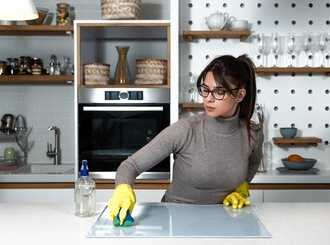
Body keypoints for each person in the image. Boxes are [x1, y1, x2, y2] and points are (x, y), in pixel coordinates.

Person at [108, 54, 264, 225]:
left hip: (224, 220)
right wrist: (123, 189)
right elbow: (130, 165)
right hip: (176, 220)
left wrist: (242, 188)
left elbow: (254, 162)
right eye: (205, 89)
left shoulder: (252, 134)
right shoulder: (186, 130)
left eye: (219, 92)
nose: (208, 98)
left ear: (240, 95)